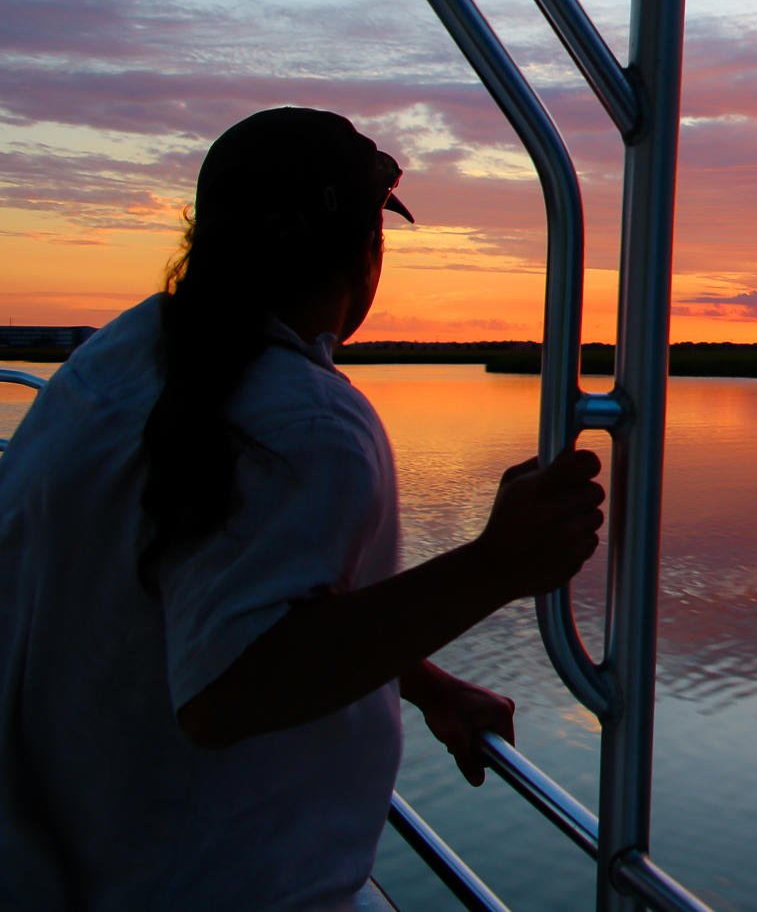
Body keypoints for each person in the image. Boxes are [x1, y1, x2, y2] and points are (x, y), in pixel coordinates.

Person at [0, 107, 605, 910]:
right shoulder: (305, 423)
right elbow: (229, 688)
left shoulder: (118, 358)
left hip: (56, 859)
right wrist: (494, 566)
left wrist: (421, 683)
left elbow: (221, 591)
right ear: (367, 250)